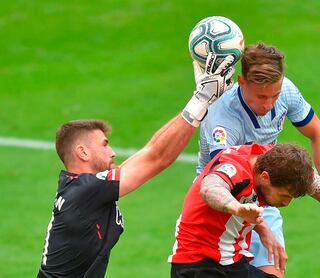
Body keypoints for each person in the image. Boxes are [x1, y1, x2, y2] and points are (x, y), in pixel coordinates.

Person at [37, 53, 235, 278]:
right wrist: (200, 100)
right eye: (104, 145)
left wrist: (202, 102)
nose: (112, 153)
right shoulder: (86, 190)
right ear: (82, 152)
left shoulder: (79, 188)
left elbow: (149, 151)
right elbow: (157, 158)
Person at [197, 42, 320, 276]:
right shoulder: (222, 118)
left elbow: (318, 134)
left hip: (262, 197)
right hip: (221, 205)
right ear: (241, 83)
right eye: (261, 96)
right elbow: (230, 183)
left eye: (275, 95)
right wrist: (261, 229)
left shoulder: (286, 91)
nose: (269, 104)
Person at [169, 143, 320, 278]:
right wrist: (237, 208)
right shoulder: (235, 168)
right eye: (284, 196)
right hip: (197, 265)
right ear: (265, 177)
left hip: (232, 263)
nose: (286, 204)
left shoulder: (279, 164)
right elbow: (210, 188)